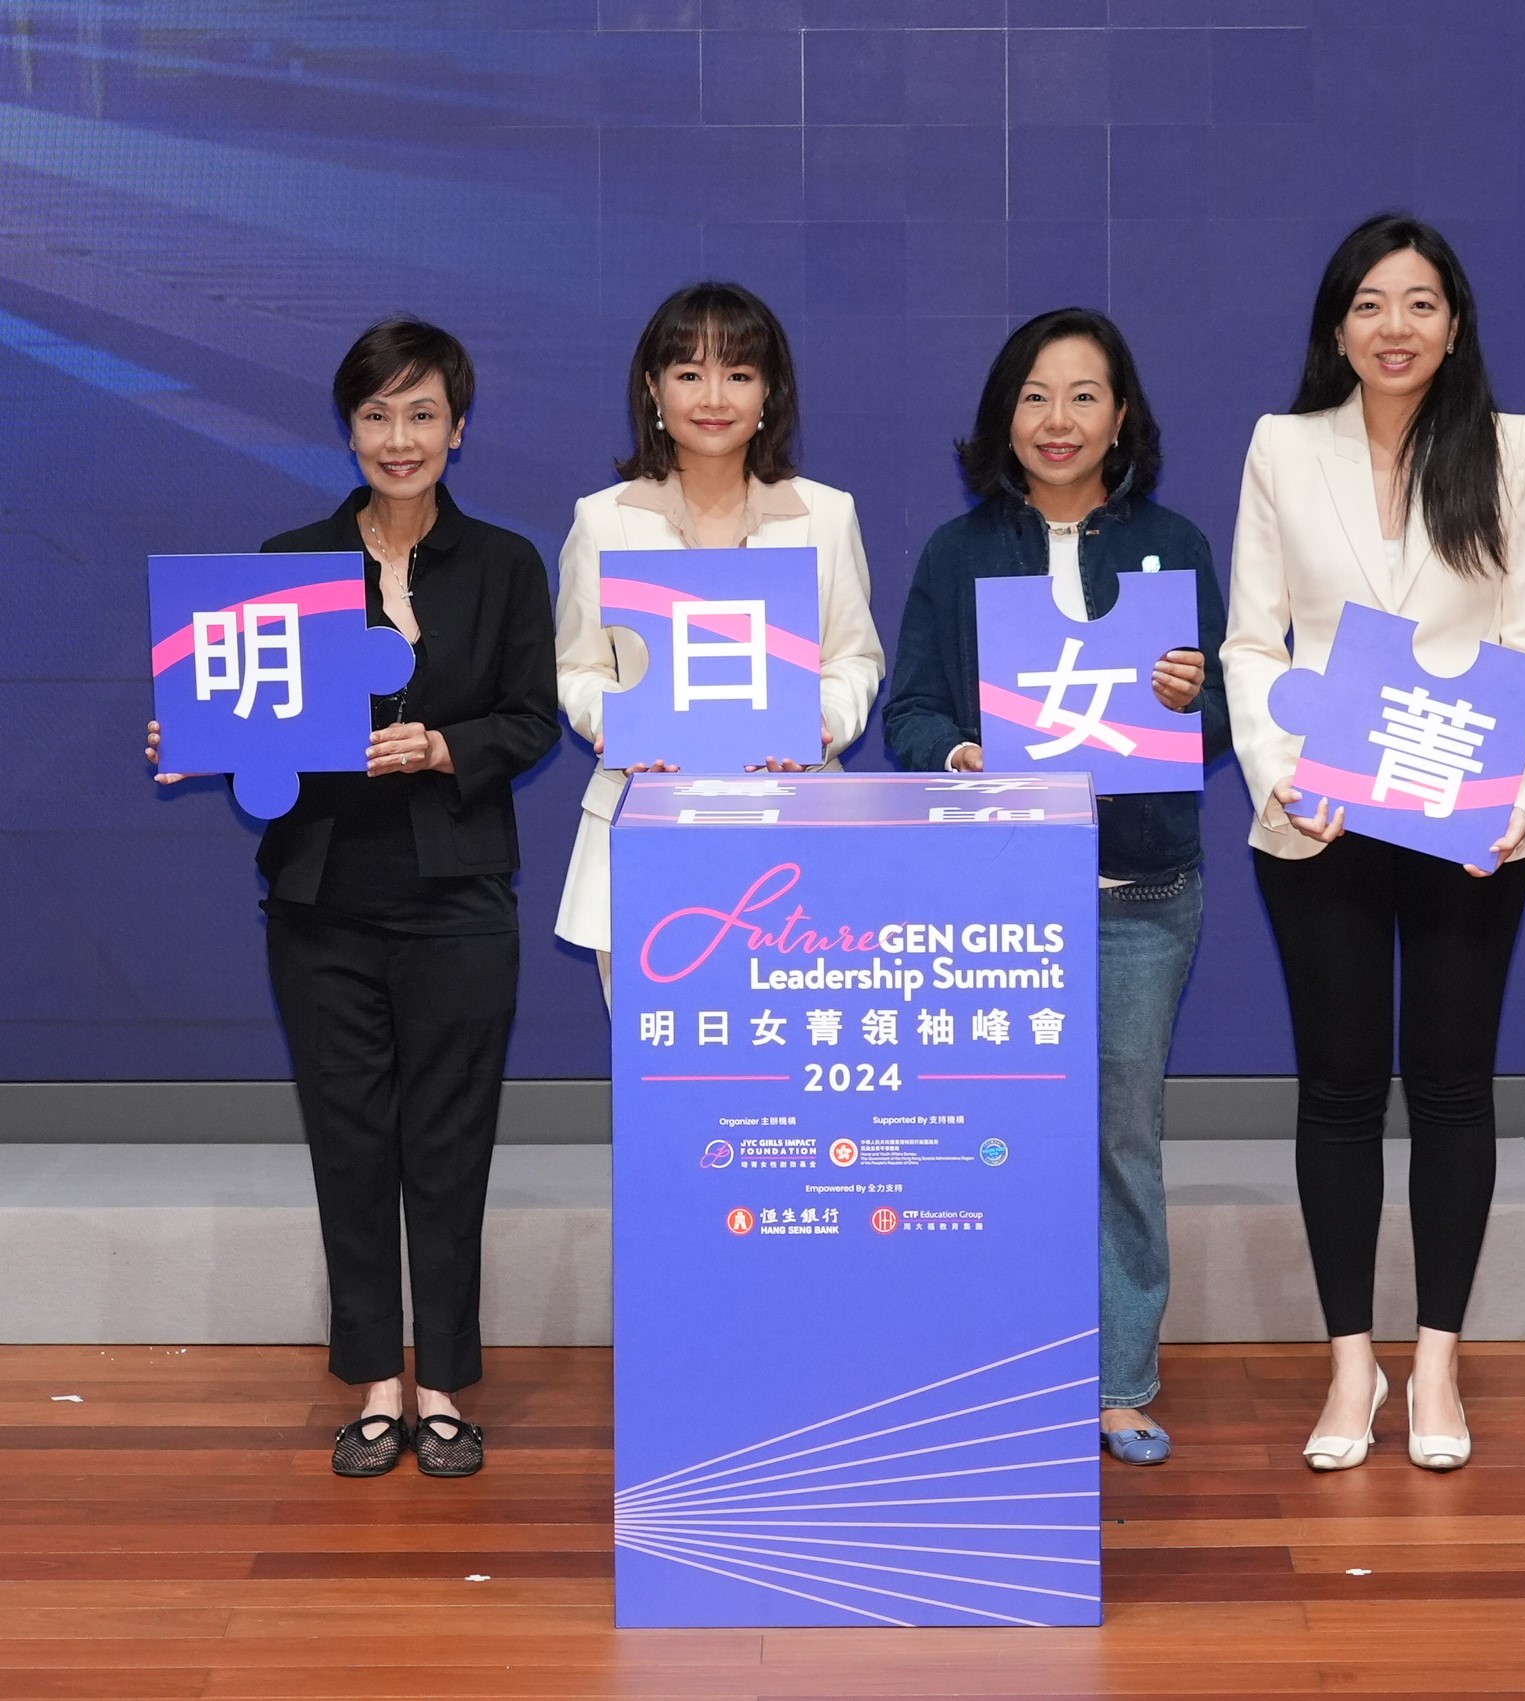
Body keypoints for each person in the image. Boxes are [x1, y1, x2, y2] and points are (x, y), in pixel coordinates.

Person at [147, 318, 558, 1478]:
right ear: (349, 428)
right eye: (377, 414)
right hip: (323, 897)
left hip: (460, 894)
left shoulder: (508, 566)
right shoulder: (290, 566)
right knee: (350, 1143)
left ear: (459, 430)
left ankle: (445, 1387)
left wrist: (446, 747)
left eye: (422, 414)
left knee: (448, 1143)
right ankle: (375, 1381)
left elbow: (531, 717)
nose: (400, 436)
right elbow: (243, 710)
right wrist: (191, 734)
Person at [1221, 214, 1525, 1472]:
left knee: (1455, 1087)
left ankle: (1437, 1364)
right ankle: (1349, 1367)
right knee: (1339, 1090)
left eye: (1420, 304)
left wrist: (1507, 800)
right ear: (1337, 327)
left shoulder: (1512, 448)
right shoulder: (1282, 446)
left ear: (1455, 325)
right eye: (1371, 304)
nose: (1395, 327)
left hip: (1468, 821)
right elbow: (1254, 642)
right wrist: (1284, 774)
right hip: (1319, 819)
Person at [884, 308, 1229, 1465]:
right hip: (999, 899)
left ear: (1122, 415)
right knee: (992, 1139)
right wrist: (957, 756)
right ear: (1004, 415)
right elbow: (913, 711)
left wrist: (1192, 697)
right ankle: (1000, 1369)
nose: (1059, 419)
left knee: (1121, 1140)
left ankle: (1121, 1379)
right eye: (1035, 395)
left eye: (1085, 395)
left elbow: (1229, 712)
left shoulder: (1174, 544)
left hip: (1140, 892)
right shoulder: (957, 550)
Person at [553, 281, 884, 1001]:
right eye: (689, 373)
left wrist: (821, 724)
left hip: (795, 826)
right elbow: (577, 667)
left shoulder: (825, 514)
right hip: (646, 819)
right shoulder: (603, 519)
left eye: (737, 374)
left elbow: (854, 657)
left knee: (787, 1064)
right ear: (653, 390)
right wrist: (616, 723)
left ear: (769, 394)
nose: (713, 396)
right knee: (666, 1077)